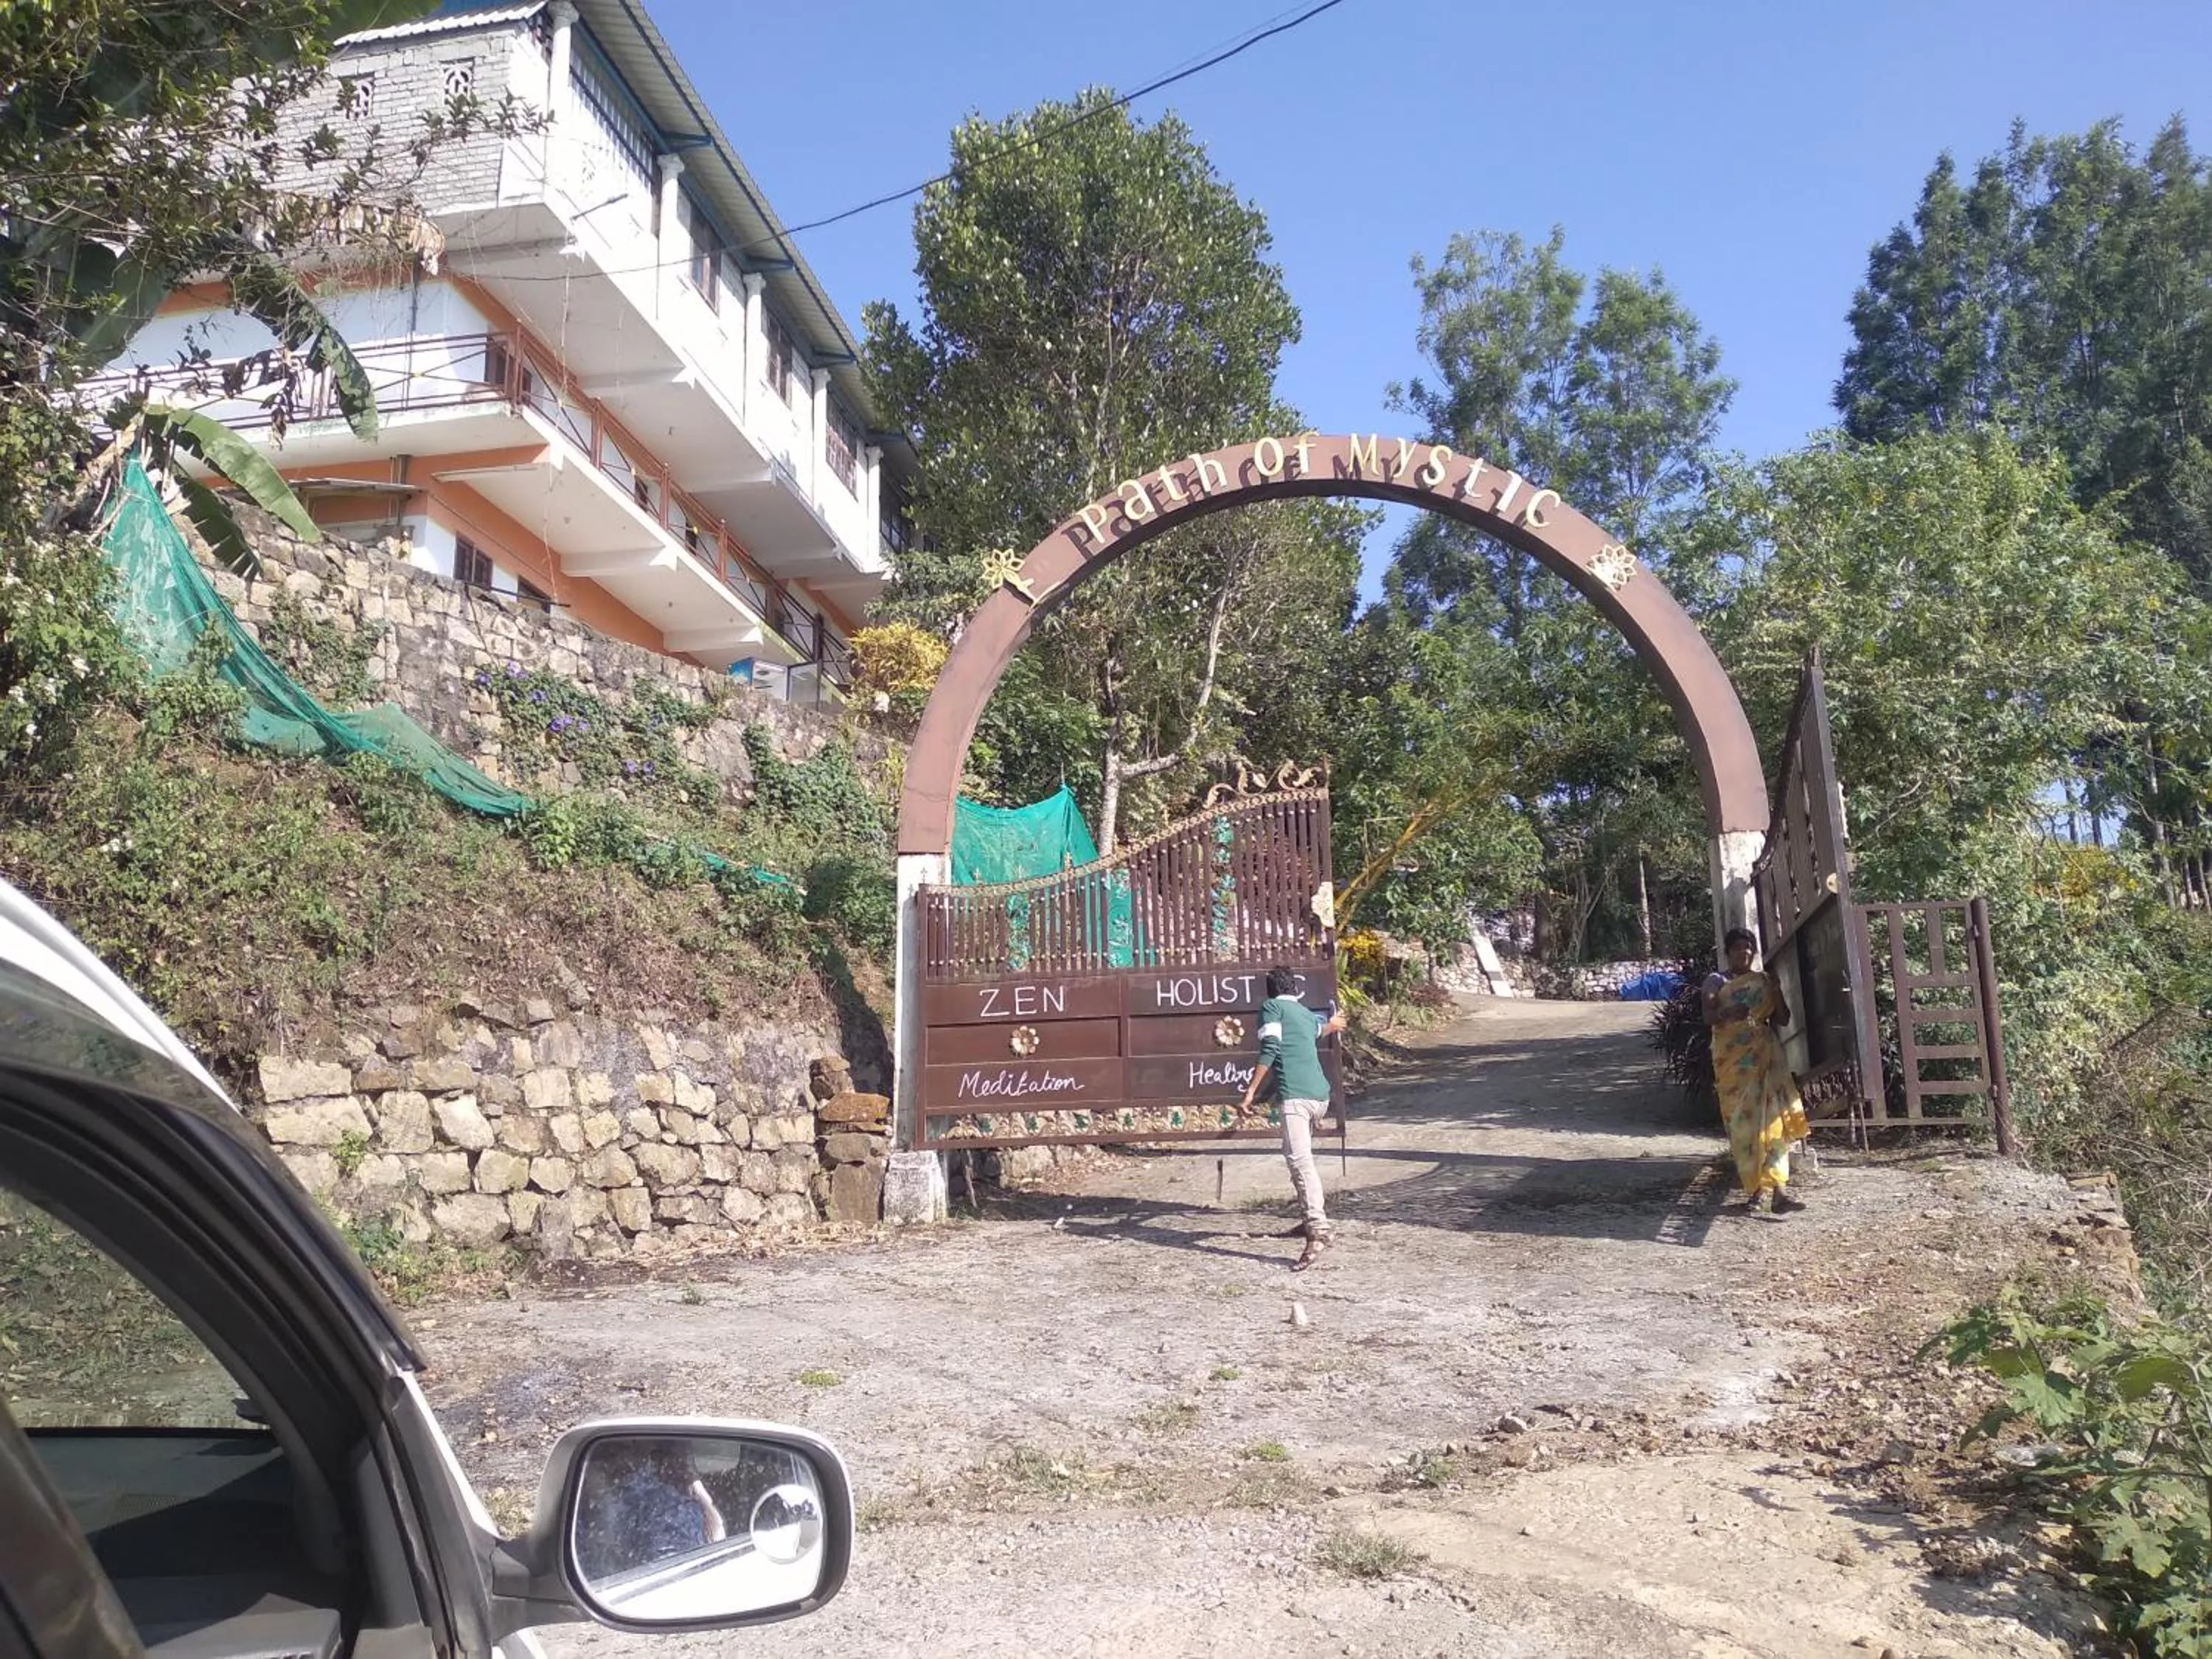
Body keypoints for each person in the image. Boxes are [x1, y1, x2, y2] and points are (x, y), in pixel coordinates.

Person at [1237, 965, 1347, 1271]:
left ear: (1270, 989)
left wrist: (1250, 1094)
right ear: (1294, 988)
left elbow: (1270, 1048)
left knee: (1300, 1163)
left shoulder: (1272, 1008)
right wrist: (1333, 1025)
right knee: (1300, 1160)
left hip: (1296, 1099)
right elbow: (1316, 1031)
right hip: (1320, 1097)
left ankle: (1318, 1231)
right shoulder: (1303, 1012)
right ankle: (1309, 1219)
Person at [1703, 927, 1810, 1214]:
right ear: (1727, 952)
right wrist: (1727, 1013)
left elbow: (1784, 1019)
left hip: (1766, 1058)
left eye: (1749, 948)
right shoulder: (1716, 982)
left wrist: (1776, 990)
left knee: (1772, 1120)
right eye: (1738, 948)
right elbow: (1708, 1016)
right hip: (1733, 1066)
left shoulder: (1763, 982)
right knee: (1744, 1128)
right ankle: (1755, 1190)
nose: (1745, 953)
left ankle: (1780, 1192)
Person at [574, 1439, 728, 1582]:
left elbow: (672, 1584)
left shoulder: (667, 1511)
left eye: (611, 1453)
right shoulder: (576, 1505)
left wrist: (605, 1506)